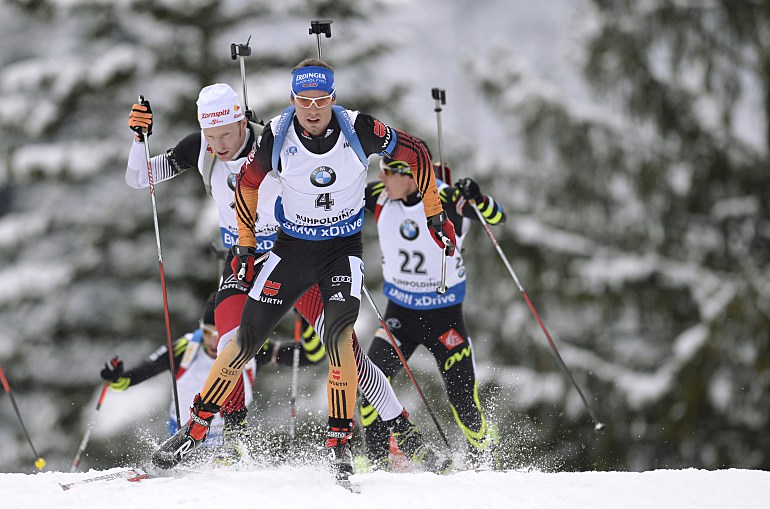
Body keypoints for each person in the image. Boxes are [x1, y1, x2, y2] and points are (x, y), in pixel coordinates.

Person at [128, 82, 449, 473]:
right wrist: (139, 139)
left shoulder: (274, 140)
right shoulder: (199, 149)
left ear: (242, 122)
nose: (219, 145)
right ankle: (228, 436)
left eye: (226, 134)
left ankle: (404, 430)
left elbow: (325, 175)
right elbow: (141, 177)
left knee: (348, 355)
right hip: (245, 260)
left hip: (295, 255)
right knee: (231, 341)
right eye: (211, 136)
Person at [359, 154, 506, 470]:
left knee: (463, 400)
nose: (381, 178)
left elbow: (497, 217)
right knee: (370, 387)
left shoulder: (447, 198)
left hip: (444, 320)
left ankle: (483, 460)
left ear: (411, 176)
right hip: (400, 318)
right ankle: (376, 464)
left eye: (388, 172)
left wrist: (478, 197)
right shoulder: (380, 195)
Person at [99, 297, 255, 446]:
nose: (214, 341)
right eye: (208, 332)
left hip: (225, 438)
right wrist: (116, 378)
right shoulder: (186, 348)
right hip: (185, 436)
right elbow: (145, 370)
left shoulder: (251, 344)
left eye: (220, 333)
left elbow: (273, 348)